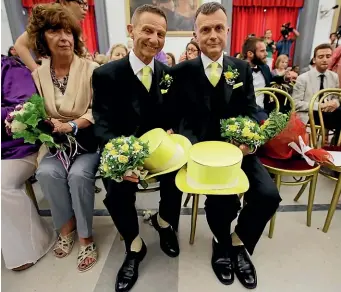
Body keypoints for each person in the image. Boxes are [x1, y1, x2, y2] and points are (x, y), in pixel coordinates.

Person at [169, 2, 281, 289]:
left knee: (269, 195)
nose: (213, 35)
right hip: (202, 154)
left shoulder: (241, 68)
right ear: (195, 33)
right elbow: (177, 117)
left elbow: (249, 110)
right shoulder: (181, 72)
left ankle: (238, 241)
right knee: (223, 199)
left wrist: (250, 137)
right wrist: (193, 148)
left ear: (228, 30)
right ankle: (220, 244)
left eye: (219, 28)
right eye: (205, 29)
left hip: (238, 150)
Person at [92, 5, 182, 292]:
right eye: (147, 30)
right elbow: (103, 124)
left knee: (178, 171)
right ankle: (134, 244)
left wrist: (172, 132)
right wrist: (123, 158)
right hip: (123, 150)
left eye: (161, 34)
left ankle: (165, 223)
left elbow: (174, 118)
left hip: (159, 151)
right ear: (131, 31)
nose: (154, 39)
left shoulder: (168, 74)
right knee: (115, 184)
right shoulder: (106, 74)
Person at [27, 4, 100, 272]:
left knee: (79, 176)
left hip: (86, 143)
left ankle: (85, 237)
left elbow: (98, 110)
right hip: (56, 147)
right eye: (55, 31)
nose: (64, 37)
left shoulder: (91, 69)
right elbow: (34, 111)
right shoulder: (37, 75)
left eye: (69, 31)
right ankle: (66, 228)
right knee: (47, 173)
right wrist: (43, 123)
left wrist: (72, 124)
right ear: (42, 38)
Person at [1, 55, 57, 272]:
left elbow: (24, 108)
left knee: (2, 185)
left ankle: (33, 244)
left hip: (16, 147)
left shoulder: (8, 67)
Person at [14, 0, 89, 72]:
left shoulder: (74, 26)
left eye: (86, 4)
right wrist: (37, 70)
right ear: (64, 2)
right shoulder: (50, 19)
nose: (85, 8)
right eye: (81, 2)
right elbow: (20, 44)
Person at [292, 43, 340, 142]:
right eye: (321, 57)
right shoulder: (303, 78)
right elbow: (295, 103)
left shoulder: (334, 76)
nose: (325, 60)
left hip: (328, 114)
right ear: (314, 60)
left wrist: (335, 103)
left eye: (328, 56)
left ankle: (335, 146)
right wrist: (320, 105)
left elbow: (336, 97)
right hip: (309, 114)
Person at [241, 37, 273, 118]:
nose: (266, 54)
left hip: (263, 111)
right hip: (243, 114)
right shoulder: (237, 70)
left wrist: (284, 78)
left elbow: (272, 81)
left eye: (265, 50)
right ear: (250, 54)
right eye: (262, 51)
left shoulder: (265, 68)